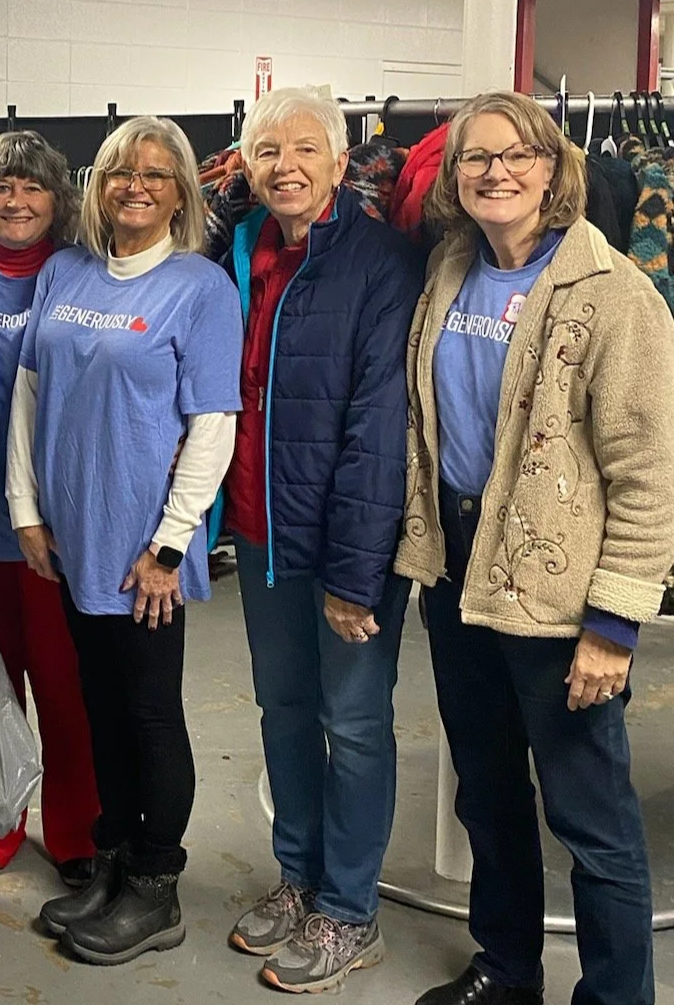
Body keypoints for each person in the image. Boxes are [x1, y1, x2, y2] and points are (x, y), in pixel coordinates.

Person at [396, 91, 674, 1005]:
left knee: (591, 818)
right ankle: (507, 970)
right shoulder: (448, 272)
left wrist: (615, 624)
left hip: (561, 593)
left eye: (517, 156)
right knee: (487, 792)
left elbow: (647, 473)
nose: (496, 172)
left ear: (555, 171)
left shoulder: (613, 293)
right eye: (476, 158)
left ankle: (616, 996)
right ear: (454, 176)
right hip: (462, 572)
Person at [6, 116, 242, 965]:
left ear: (182, 190)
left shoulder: (199, 288)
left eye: (155, 173)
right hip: (72, 537)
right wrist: (26, 509)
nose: (135, 186)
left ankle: (155, 886)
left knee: (148, 713)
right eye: (118, 173)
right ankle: (109, 863)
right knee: (99, 705)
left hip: (146, 552)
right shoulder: (68, 270)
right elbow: (29, 394)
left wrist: (172, 545)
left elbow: (213, 423)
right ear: (98, 186)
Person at [221, 88, 423, 994]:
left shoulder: (382, 263)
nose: (286, 165)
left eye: (307, 148)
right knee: (285, 713)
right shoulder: (239, 249)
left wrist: (354, 574)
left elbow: (380, 431)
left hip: (345, 546)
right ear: (247, 165)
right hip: (263, 536)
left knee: (355, 724)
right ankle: (299, 879)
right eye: (268, 151)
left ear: (342, 165)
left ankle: (351, 910)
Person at [0, 130, 100, 888]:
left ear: (58, 199)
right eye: (1, 187)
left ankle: (76, 832)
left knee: (63, 683)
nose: (16, 202)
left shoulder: (79, 275)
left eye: (33, 188)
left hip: (53, 519)